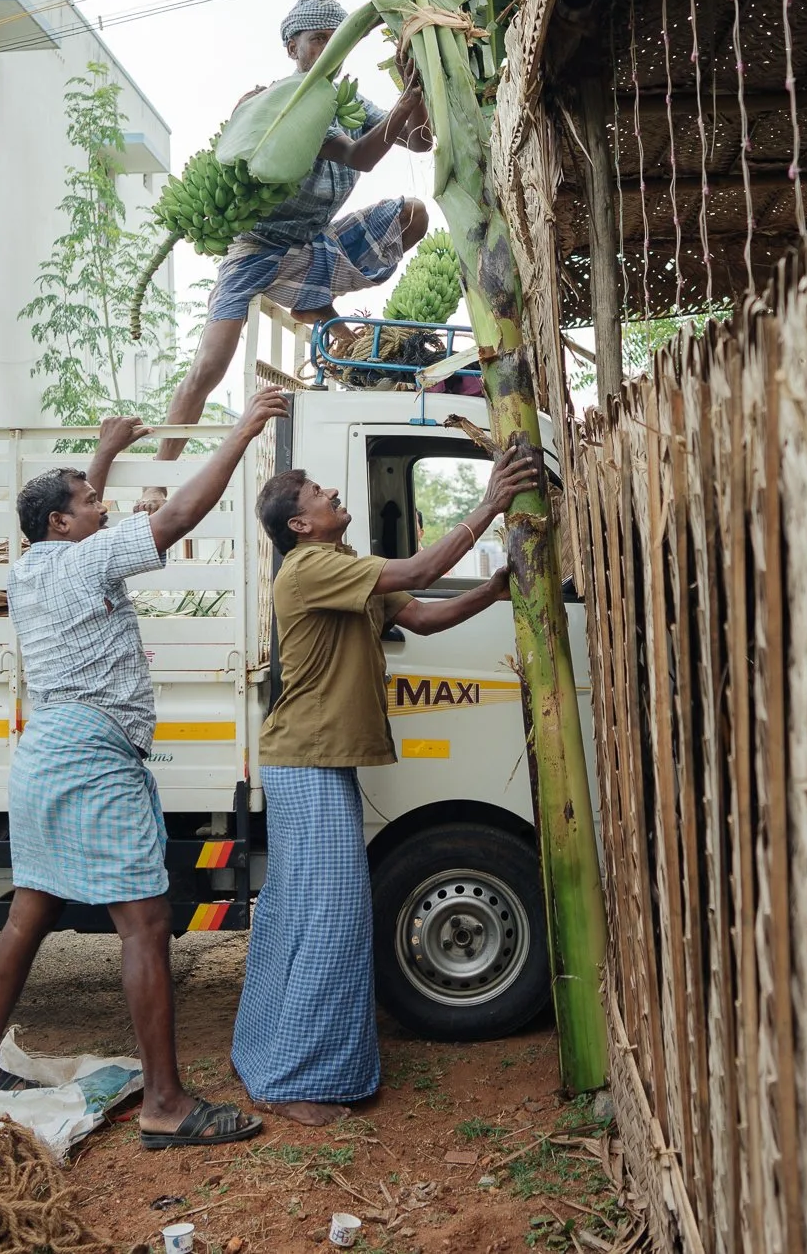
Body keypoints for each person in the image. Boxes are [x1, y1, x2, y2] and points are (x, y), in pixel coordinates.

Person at [0, 389, 290, 1150]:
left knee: (28, 913)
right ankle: (164, 1102)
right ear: (60, 523)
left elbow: (81, 518)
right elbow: (181, 515)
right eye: (88, 501)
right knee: (146, 922)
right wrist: (242, 432)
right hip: (93, 758)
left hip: (44, 754)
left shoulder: (27, 570)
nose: (101, 506)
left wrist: (101, 454)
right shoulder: (86, 557)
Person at [231, 442, 544, 1126]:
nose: (330, 492)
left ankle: (270, 1056)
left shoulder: (341, 563)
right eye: (316, 491)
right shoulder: (309, 568)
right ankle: (293, 1078)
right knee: (330, 919)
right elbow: (425, 568)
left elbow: (423, 615)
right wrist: (490, 503)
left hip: (316, 761)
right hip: (306, 762)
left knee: (302, 914)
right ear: (299, 525)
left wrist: (493, 590)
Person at [158, 0, 434, 460]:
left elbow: (420, 142)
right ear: (293, 48)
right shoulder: (284, 103)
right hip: (259, 246)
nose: (329, 49)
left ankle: (313, 301)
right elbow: (358, 156)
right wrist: (404, 103)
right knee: (210, 364)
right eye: (318, 40)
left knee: (414, 214)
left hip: (314, 243)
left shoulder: (348, 102)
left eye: (337, 40)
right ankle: (161, 470)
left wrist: (416, 94)